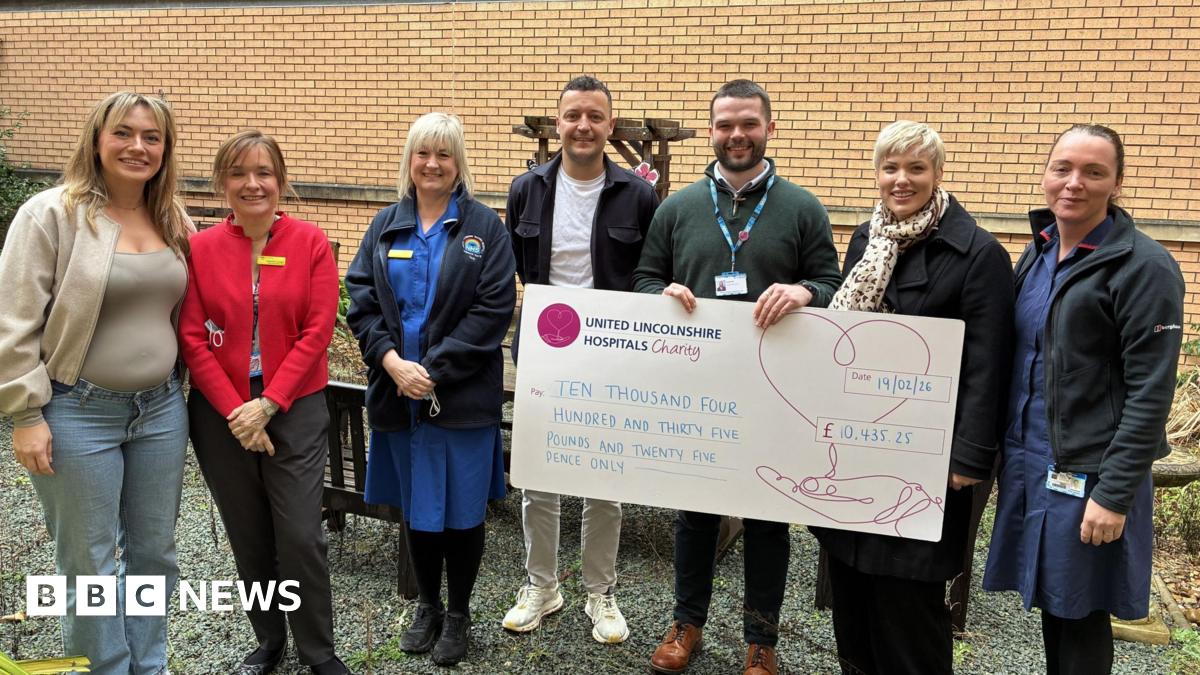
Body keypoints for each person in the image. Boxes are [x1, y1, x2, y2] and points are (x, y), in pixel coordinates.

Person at [633, 79, 843, 675]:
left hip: (775, 391)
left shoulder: (802, 208)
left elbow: (831, 285)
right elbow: (644, 279)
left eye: (748, 124)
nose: (737, 136)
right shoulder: (678, 209)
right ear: (712, 131)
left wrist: (804, 290)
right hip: (698, 389)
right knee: (694, 513)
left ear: (769, 129)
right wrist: (662, 293)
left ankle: (761, 639)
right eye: (725, 125)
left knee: (767, 518)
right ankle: (685, 624)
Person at [813, 121, 1015, 674]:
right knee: (850, 597)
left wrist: (968, 457)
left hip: (927, 458)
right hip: (857, 446)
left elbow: (987, 367)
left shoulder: (979, 255)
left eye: (916, 168)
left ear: (938, 174)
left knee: (907, 607)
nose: (901, 180)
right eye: (890, 167)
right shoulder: (866, 239)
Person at [0, 91, 191, 674]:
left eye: (151, 136)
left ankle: (149, 666)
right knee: (90, 564)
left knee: (155, 556)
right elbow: (13, 321)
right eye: (124, 133)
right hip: (77, 411)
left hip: (160, 412)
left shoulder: (172, 219)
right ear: (97, 139)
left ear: (165, 149)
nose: (138, 146)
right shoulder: (51, 214)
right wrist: (25, 415)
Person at [983, 125, 1184, 675]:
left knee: (1080, 615)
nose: (1074, 183)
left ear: (1116, 183)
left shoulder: (1143, 266)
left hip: (1091, 473)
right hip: (1031, 462)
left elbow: (1151, 391)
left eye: (1094, 172)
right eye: (1063, 168)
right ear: (1046, 174)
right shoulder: (1039, 252)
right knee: (1056, 604)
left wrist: (1115, 494)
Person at [344, 112, 516, 667]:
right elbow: (362, 300)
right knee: (418, 507)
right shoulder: (385, 226)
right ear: (410, 160)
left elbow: (493, 312)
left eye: (444, 154)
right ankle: (427, 603)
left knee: (462, 512)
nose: (432, 164)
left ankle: (460, 612)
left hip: (460, 400)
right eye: (423, 153)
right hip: (398, 394)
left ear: (458, 162)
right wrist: (393, 363)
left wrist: (432, 371)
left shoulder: (484, 229)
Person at [178, 130, 348, 675]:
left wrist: (269, 404)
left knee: (299, 535)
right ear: (222, 183)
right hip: (220, 411)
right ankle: (269, 639)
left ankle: (318, 650)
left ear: (280, 181)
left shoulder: (311, 243)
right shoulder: (200, 248)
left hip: (294, 405)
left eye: (263, 173)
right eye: (238, 174)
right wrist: (237, 411)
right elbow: (191, 336)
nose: (252, 184)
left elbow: (318, 330)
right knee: (247, 533)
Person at [502, 74, 659, 644]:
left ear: (610, 125)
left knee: (604, 480)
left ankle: (600, 592)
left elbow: (647, 273)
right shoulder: (528, 189)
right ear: (559, 122)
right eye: (573, 115)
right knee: (538, 480)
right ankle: (542, 585)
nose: (584, 126)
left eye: (595, 116)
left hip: (610, 359)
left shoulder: (637, 195)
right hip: (546, 352)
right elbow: (523, 268)